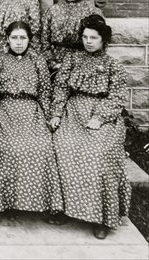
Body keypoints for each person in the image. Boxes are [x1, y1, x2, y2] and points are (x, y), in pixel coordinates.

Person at [49, 15, 130, 239]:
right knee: (61, 147)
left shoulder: (113, 66)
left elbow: (117, 97)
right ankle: (66, 209)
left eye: (93, 38)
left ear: (103, 40)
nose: (88, 41)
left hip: (100, 115)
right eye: (85, 37)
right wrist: (56, 113)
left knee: (97, 154)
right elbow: (61, 88)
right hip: (72, 113)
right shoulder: (72, 60)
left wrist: (101, 116)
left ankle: (101, 217)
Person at [0, 21, 62, 218]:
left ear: (29, 40)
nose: (19, 42)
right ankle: (6, 203)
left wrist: (50, 116)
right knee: (8, 148)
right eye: (14, 38)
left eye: (23, 38)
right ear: (7, 39)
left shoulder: (38, 61)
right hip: (4, 112)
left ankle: (43, 204)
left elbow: (44, 92)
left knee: (42, 147)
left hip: (31, 112)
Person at [40, 0, 102, 72]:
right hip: (56, 65)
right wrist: (53, 64)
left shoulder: (93, 12)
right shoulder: (52, 12)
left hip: (85, 66)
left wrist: (89, 64)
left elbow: (100, 43)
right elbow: (43, 41)